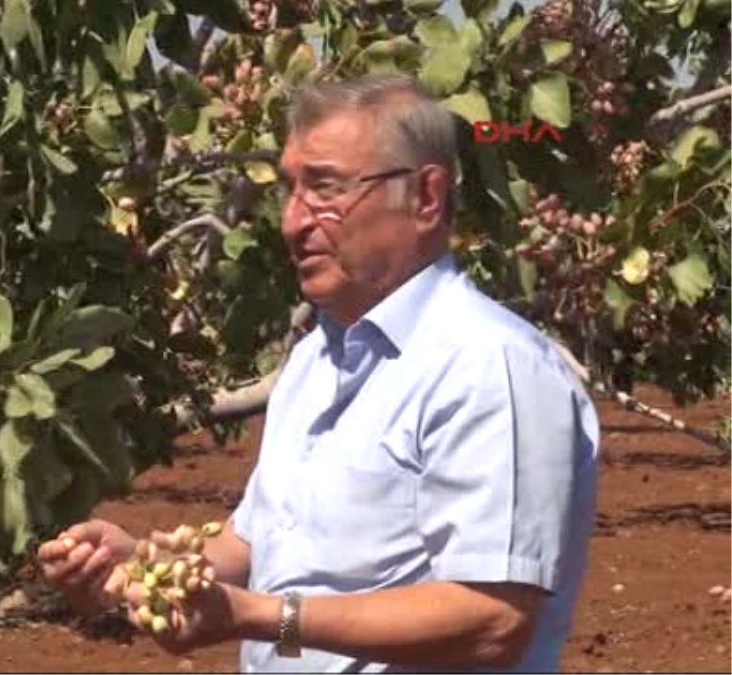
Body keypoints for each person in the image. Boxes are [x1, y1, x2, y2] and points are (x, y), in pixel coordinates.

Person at [36, 73, 601, 672]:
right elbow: (252, 547)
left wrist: (259, 617)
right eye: (290, 189)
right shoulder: (315, 360)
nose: (292, 222)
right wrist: (143, 567)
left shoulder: (491, 369)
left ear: (426, 197)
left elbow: (494, 620)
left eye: (326, 189)